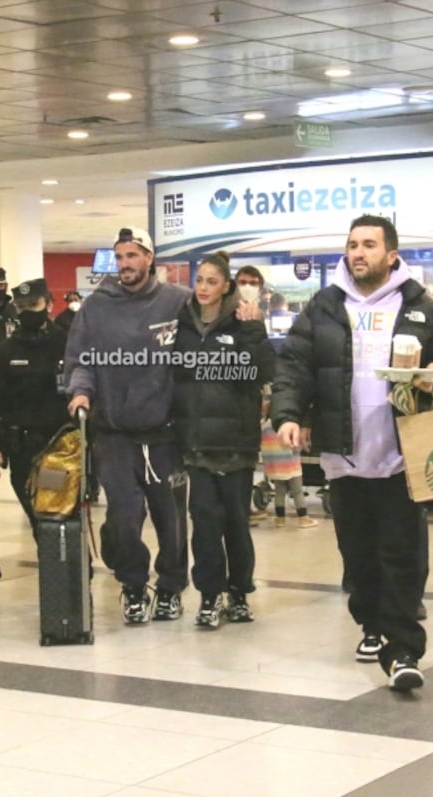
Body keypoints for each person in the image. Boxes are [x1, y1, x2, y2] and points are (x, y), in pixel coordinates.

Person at [270, 214, 433, 692]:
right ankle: (372, 625)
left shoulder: (420, 308)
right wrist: (288, 415)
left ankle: (401, 650)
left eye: (369, 245)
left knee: (401, 553)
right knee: (358, 554)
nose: (359, 253)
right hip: (344, 456)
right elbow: (294, 365)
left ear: (391, 254)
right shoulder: (323, 306)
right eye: (353, 245)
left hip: (403, 455)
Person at [65, 225, 190, 625]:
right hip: (115, 433)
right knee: (122, 516)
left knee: (171, 519)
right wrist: (80, 391)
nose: (125, 265)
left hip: (165, 433)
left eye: (132, 256)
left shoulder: (177, 302)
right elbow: (80, 358)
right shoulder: (96, 307)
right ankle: (133, 585)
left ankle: (170, 587)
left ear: (149, 259)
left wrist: (243, 311)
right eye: (119, 258)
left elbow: (212, 326)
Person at [172, 252, 275, 628]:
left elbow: (262, 371)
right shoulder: (182, 323)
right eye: (199, 280)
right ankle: (209, 595)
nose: (203, 288)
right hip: (197, 443)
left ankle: (240, 592)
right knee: (204, 524)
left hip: (236, 443)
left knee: (235, 523)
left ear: (227, 286)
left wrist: (253, 331)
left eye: (211, 281)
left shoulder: (243, 321)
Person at [0, 278, 69, 540]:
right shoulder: (3, 353)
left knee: (56, 514)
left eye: (34, 304)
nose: (28, 311)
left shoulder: (68, 344)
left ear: (49, 304)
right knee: (39, 517)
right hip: (23, 449)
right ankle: (59, 571)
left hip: (61, 448)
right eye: (21, 306)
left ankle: (71, 571)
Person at [234, 265, 269, 526]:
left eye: (253, 282)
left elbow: (263, 367)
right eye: (243, 281)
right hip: (229, 404)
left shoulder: (258, 317)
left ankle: (243, 507)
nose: (248, 286)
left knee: (247, 462)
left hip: (249, 406)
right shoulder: (226, 314)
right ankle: (238, 510)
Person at [259, 393, 317, 529]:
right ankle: (303, 518)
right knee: (297, 492)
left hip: (275, 467)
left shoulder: (264, 427)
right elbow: (295, 446)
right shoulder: (287, 427)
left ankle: (280, 519)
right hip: (291, 465)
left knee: (279, 492)